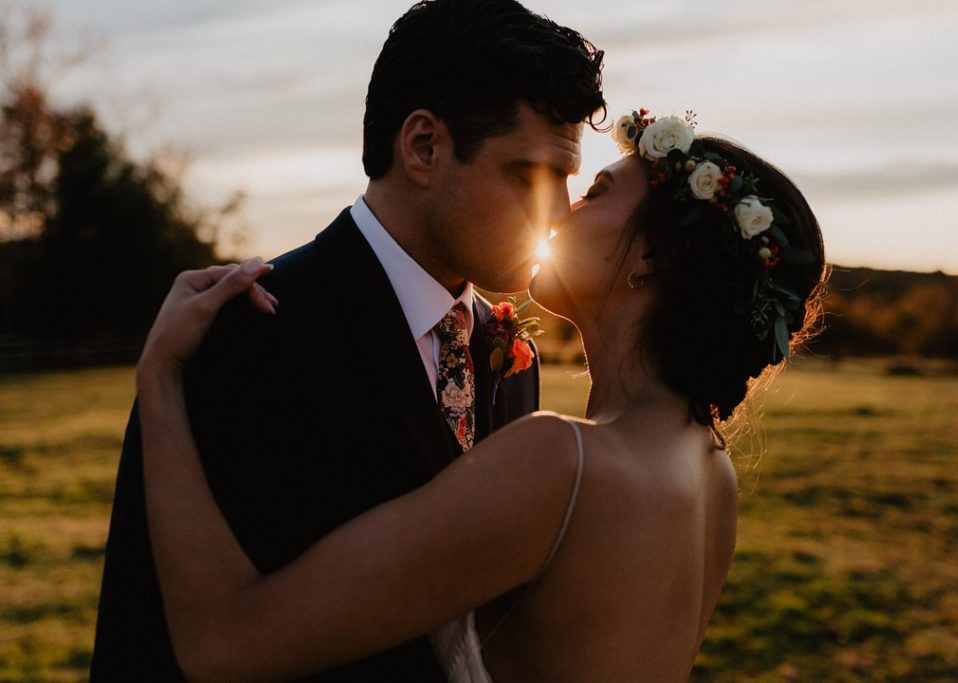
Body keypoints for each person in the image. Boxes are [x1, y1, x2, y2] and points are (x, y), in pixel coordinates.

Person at [135, 111, 827, 681]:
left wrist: (161, 379)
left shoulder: (561, 466)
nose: (558, 209)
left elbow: (224, 644)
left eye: (595, 193)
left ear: (649, 260)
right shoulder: (712, 470)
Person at [90, 1, 605, 680]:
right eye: (531, 177)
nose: (562, 215)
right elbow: (145, 630)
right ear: (423, 146)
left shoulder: (513, 356)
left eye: (570, 180)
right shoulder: (242, 334)